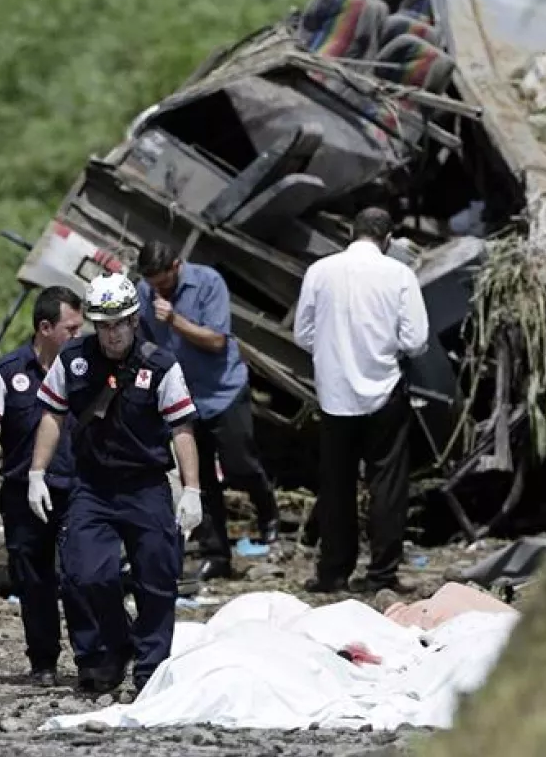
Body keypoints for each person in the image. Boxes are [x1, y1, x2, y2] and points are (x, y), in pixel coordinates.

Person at [29, 273, 203, 693]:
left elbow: (182, 428)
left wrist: (192, 488)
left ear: (134, 320)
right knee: (85, 574)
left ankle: (151, 669)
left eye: (118, 324)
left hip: (146, 485)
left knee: (157, 578)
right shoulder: (73, 360)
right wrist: (37, 472)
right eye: (102, 325)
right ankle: (120, 642)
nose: (111, 334)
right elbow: (52, 415)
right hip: (93, 485)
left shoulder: (160, 365)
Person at [292, 207, 429, 594]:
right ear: (386, 239)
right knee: (386, 484)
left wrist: (334, 348)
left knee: (336, 486)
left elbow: (303, 334)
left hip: (334, 396)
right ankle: (382, 574)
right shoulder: (399, 274)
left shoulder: (320, 272)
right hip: (384, 392)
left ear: (351, 233)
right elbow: (417, 341)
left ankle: (333, 573)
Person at [0, 285, 88, 687]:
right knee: (33, 579)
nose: (77, 334)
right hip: (23, 491)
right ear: (45, 327)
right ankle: (44, 662)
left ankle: (93, 658)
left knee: (81, 574)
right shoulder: (8, 372)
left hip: (75, 487)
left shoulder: (85, 367)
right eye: (70, 328)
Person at [135, 242, 279, 582]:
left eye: (163, 282)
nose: (158, 290)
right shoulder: (145, 291)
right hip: (182, 397)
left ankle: (267, 510)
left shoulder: (208, 283)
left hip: (222, 391)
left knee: (239, 463)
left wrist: (174, 320)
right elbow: (143, 337)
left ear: (176, 265)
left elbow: (217, 340)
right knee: (196, 480)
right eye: (152, 284)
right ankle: (217, 554)